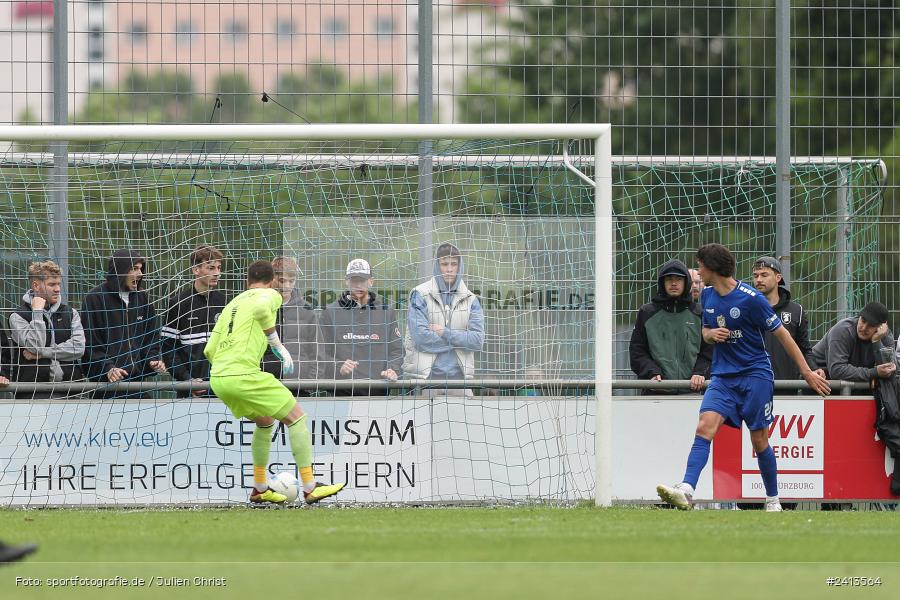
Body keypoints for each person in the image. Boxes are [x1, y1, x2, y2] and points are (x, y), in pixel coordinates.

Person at [656, 244, 830, 511]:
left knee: (759, 440)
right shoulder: (708, 295)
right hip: (723, 377)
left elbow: (783, 334)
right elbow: (705, 331)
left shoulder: (751, 299)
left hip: (755, 376)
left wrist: (806, 371)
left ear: (712, 268)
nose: (698, 272)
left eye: (700, 266)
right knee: (704, 427)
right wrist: (710, 335)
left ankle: (772, 499)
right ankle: (687, 489)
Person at [204, 260, 343, 505]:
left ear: (247, 281)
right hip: (244, 374)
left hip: (219, 378)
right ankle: (310, 487)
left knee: (265, 421)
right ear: (271, 282)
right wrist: (278, 346)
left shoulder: (232, 304)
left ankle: (260, 488)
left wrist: (227, 370)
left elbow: (209, 350)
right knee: (297, 417)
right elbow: (260, 309)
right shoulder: (269, 295)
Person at [81, 250, 167, 399]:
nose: (140, 273)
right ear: (120, 271)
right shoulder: (95, 298)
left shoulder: (142, 298)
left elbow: (151, 338)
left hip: (137, 385)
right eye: (134, 268)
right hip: (106, 387)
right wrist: (108, 368)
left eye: (141, 269)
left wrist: (152, 360)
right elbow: (91, 344)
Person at [402, 242, 484, 395]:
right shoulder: (419, 294)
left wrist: (444, 332)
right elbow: (420, 338)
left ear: (460, 266)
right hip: (425, 380)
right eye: (444, 264)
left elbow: (477, 341)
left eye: (454, 264)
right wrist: (460, 340)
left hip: (460, 381)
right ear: (437, 266)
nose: (449, 269)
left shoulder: (471, 299)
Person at [318, 258, 403, 396]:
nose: (358, 285)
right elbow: (320, 352)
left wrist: (392, 369)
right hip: (341, 394)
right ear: (346, 281)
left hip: (378, 392)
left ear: (371, 281)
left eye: (362, 280)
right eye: (354, 280)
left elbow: (397, 350)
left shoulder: (386, 312)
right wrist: (338, 366)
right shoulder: (330, 312)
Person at [629, 259, 712, 394]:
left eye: (678, 279)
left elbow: (708, 351)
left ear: (686, 282)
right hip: (655, 390)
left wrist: (699, 372)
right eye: (669, 279)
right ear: (662, 282)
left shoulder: (699, 313)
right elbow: (637, 351)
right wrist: (651, 372)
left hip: (693, 391)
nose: (674, 283)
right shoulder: (647, 312)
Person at [7, 260, 85, 399]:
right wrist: (37, 313)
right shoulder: (18, 316)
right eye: (51, 284)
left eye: (58, 284)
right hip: (32, 392)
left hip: (71, 390)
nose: (57, 289)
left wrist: (43, 353)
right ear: (36, 286)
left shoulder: (70, 313)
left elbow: (78, 348)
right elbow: (35, 346)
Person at [161, 245, 227, 397]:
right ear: (196, 270)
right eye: (211, 268)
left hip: (222, 387)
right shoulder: (178, 303)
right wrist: (187, 379)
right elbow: (168, 349)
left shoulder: (224, 302)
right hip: (189, 391)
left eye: (219, 268)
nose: (217, 273)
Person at [751, 256, 823, 387]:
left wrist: (814, 368)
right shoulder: (747, 309)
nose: (759, 280)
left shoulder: (796, 311)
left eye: (764, 275)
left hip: (787, 386)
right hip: (754, 385)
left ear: (778, 278)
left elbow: (804, 348)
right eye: (755, 276)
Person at [261, 256, 318, 394]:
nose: (287, 286)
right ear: (272, 279)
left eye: (291, 281)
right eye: (282, 281)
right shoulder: (261, 307)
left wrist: (311, 382)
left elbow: (317, 349)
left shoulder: (307, 310)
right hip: (266, 385)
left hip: (299, 387)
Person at [810, 302, 895, 384]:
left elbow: (890, 371)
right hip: (818, 380)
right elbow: (837, 370)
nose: (864, 328)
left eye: (871, 325)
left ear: (881, 327)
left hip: (852, 384)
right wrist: (874, 372)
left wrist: (876, 341)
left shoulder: (885, 335)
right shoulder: (843, 330)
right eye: (863, 321)